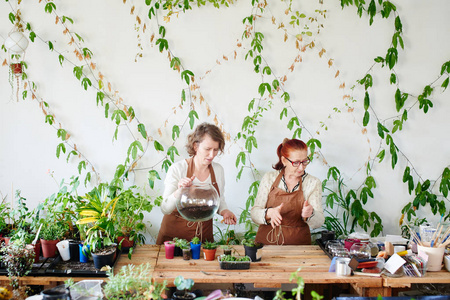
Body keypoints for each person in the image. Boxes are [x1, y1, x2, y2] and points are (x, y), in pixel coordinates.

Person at [156, 123, 237, 244]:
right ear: (195, 146)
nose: (212, 155)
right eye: (208, 149)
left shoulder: (218, 170)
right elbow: (165, 208)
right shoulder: (178, 169)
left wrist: (225, 211)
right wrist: (179, 192)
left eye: (216, 150)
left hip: (203, 237)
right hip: (173, 239)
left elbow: (219, 199)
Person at [250, 138, 324, 245]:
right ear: (284, 160)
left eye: (304, 161)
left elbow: (320, 221)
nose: (301, 167)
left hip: (299, 248)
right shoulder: (269, 178)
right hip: (266, 246)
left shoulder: (313, 183)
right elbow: (254, 214)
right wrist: (269, 213)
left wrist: (310, 214)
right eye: (296, 162)